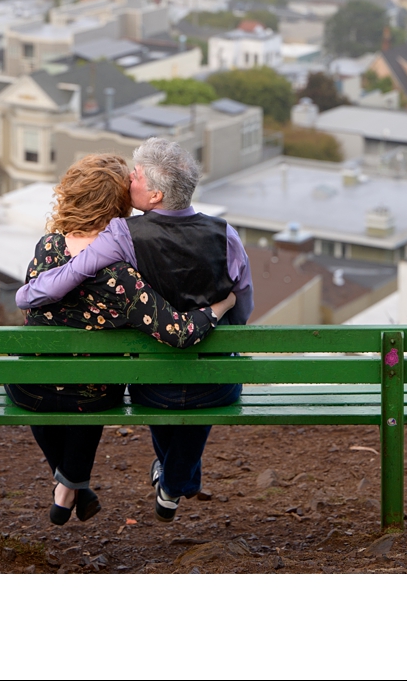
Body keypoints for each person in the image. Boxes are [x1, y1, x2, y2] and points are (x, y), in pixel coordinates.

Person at [17, 137, 254, 521]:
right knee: (204, 371)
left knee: (155, 381)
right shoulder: (225, 234)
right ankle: (176, 483)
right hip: (213, 374)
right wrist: (228, 314)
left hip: (137, 382)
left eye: (137, 176)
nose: (131, 179)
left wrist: (29, 292)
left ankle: (82, 483)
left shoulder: (110, 240)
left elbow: (73, 271)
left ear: (156, 194)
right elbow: (240, 300)